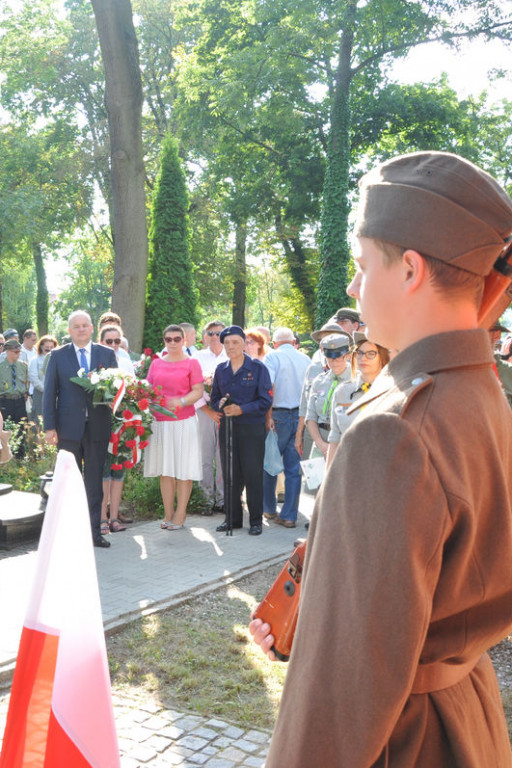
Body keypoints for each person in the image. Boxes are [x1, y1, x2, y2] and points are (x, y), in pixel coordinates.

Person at [250, 151, 512, 767]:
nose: (352, 285)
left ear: (412, 269)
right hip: (463, 721)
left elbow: (346, 678)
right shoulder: (482, 392)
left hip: (399, 741)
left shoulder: (394, 429)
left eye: (363, 265)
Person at [43, 310, 117, 548]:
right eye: (77, 326)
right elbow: (50, 393)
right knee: (67, 483)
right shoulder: (57, 355)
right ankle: (68, 535)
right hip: (68, 431)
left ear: (92, 328)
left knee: (94, 483)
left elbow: (116, 392)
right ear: (69, 331)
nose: (81, 329)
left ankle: (94, 533)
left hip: (97, 428)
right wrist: (49, 427)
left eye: (85, 325)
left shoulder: (106, 354)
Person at [209, 326, 272, 535]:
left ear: (244, 344)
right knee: (230, 474)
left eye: (235, 342)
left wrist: (242, 409)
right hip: (228, 428)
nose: (231, 347)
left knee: (253, 474)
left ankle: (255, 521)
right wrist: (221, 405)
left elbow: (265, 400)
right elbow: (215, 398)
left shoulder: (258, 368)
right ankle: (232, 519)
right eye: (227, 343)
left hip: (252, 428)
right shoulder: (221, 370)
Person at [143, 324, 204, 530]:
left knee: (183, 469)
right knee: (165, 470)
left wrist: (183, 401)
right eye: (168, 339)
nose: (172, 343)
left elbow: (198, 391)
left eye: (177, 339)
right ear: (164, 341)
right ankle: (168, 513)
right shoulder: (156, 364)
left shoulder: (192, 363)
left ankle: (181, 513)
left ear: (184, 340)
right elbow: (148, 389)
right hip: (160, 423)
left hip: (183, 422)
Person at [263, 327, 310, 528]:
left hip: (279, 415)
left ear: (274, 343)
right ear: (293, 341)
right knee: (293, 469)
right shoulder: (305, 359)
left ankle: (269, 508)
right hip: (300, 415)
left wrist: (268, 415)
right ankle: (290, 515)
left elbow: (269, 387)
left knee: (270, 465)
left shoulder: (272, 357)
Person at [326, 332, 389, 468]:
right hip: (348, 469)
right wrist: (327, 481)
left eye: (371, 353)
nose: (363, 358)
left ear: (383, 357)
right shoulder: (343, 392)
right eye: (359, 353)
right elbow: (335, 438)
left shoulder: (392, 392)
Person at [98, 324, 135, 534]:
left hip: (123, 421)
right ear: (101, 341)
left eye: (116, 341)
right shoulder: (97, 359)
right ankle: (102, 518)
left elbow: (133, 389)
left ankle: (114, 517)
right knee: (103, 470)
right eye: (109, 341)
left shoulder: (125, 360)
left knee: (118, 470)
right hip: (102, 421)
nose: (113, 345)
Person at [193, 320, 228, 515]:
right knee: (204, 456)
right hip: (203, 411)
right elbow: (191, 386)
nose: (214, 337)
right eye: (211, 333)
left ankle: (223, 499)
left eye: (218, 333)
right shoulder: (197, 357)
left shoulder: (232, 355)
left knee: (223, 457)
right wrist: (206, 409)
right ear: (204, 336)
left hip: (226, 414)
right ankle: (205, 499)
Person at [305, 333, 352, 460]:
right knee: (315, 480)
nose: (334, 362)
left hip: (347, 444)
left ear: (348, 355)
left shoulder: (357, 382)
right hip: (321, 443)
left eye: (338, 358)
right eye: (330, 358)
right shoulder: (319, 381)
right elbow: (311, 417)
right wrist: (322, 445)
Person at [0, 339, 29, 457]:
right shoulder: (1, 368)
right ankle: (7, 456)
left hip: (20, 400)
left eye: (19, 352)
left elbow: (26, 382)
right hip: (5, 400)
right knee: (7, 427)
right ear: (7, 351)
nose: (18, 354)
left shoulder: (23, 366)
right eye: (15, 352)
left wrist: (25, 393)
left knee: (21, 427)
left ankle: (20, 457)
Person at [28, 335, 59, 424]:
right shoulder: (35, 360)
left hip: (56, 393)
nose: (49, 349)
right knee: (39, 419)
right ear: (41, 347)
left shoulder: (57, 360)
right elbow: (33, 378)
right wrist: (46, 390)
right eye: (46, 348)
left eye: (51, 347)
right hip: (41, 393)